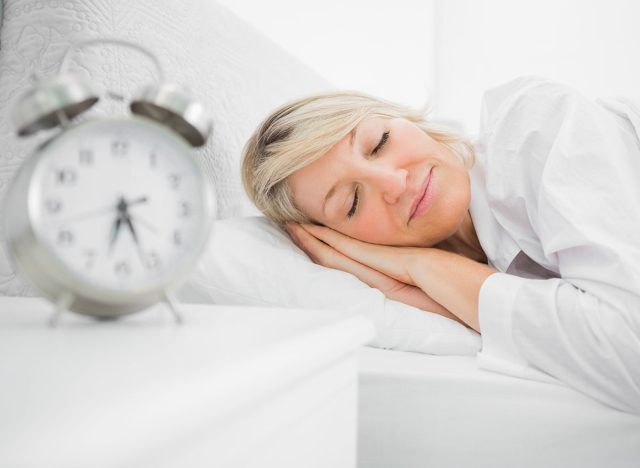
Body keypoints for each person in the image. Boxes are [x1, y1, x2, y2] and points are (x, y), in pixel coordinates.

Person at [241, 75, 640, 414]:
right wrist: (405, 288)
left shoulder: (534, 125)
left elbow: (630, 347)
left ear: (405, 119)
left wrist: (422, 266)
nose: (396, 183)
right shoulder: (452, 274)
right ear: (342, 242)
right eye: (353, 202)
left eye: (379, 142)